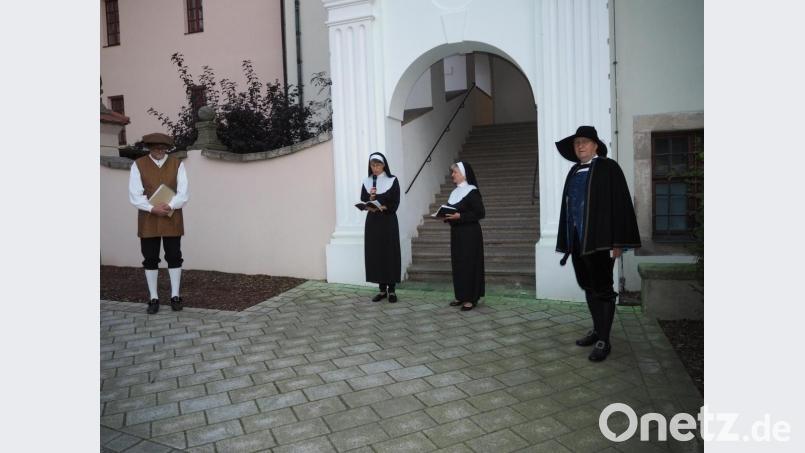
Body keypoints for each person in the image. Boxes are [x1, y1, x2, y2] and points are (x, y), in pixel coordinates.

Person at [555, 125, 641, 361]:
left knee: (603, 290)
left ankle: (605, 340)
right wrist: (568, 240)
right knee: (589, 287)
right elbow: (569, 210)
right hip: (578, 244)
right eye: (576, 142)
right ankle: (597, 330)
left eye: (585, 141)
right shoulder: (573, 172)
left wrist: (618, 243)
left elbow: (620, 206)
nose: (580, 145)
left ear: (595, 145)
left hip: (601, 243)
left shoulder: (608, 168)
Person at [128, 133, 189, 314]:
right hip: (148, 218)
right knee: (150, 258)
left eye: (163, 148)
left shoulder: (177, 164)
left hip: (172, 217)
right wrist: (151, 208)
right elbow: (135, 194)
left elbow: (183, 192)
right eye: (155, 148)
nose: (159, 151)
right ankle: (153, 297)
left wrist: (170, 205)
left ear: (167, 148)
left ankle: (175, 296)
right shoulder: (138, 165)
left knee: (174, 256)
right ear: (149, 148)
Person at [443, 161, 485, 311]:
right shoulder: (454, 192)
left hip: (470, 234)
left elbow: (480, 213)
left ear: (464, 174)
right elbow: (451, 211)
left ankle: (471, 298)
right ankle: (461, 295)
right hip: (457, 233)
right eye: (452, 172)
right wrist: (445, 216)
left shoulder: (472, 191)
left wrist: (460, 216)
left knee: (470, 264)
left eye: (455, 172)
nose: (452, 175)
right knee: (458, 263)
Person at [361, 152, 402, 303]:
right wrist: (370, 200)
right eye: (373, 165)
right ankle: (381, 289)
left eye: (378, 165)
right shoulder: (367, 181)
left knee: (389, 253)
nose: (375, 168)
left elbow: (395, 202)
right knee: (376, 253)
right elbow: (364, 199)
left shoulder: (392, 180)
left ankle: (391, 290)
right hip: (373, 222)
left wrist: (385, 207)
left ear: (384, 165)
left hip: (388, 221)